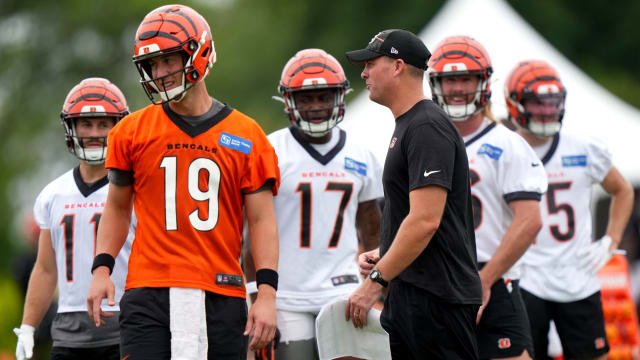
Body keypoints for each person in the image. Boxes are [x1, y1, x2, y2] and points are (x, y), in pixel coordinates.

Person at [85, 4, 281, 359]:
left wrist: (266, 294)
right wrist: (102, 269)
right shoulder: (131, 131)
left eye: (169, 60)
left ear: (199, 52)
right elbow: (116, 207)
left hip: (220, 290)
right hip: (148, 289)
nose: (160, 73)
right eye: (152, 64)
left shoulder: (247, 134)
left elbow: (263, 220)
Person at [344, 29, 482, 359]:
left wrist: (374, 282)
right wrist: (386, 249)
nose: (363, 73)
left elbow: (425, 221)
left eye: (370, 63)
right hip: (417, 296)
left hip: (436, 301)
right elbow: (419, 217)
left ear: (397, 66)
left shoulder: (425, 126)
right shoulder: (410, 124)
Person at [244, 48, 383, 359]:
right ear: (289, 100)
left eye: (324, 96)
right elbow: (251, 229)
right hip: (284, 295)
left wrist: (375, 285)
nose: (316, 106)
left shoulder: (362, 154)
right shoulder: (269, 150)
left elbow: (372, 228)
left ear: (340, 97)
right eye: (306, 98)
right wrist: (256, 295)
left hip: (344, 291)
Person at [427, 36, 547, 360]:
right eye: (449, 79)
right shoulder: (421, 140)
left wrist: (486, 278)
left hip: (492, 275)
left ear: (483, 83)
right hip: (436, 279)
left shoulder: (508, 144)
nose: (456, 88)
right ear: (436, 84)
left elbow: (530, 219)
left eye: (465, 78)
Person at [506, 59, 634, 360]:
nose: (547, 110)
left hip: (577, 277)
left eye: (552, 102)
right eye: (537, 103)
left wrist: (611, 240)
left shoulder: (583, 148)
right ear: (515, 104)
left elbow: (623, 190)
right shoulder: (505, 149)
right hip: (526, 276)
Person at [14, 77, 133, 360]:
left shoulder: (136, 190)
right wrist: (29, 325)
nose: (94, 132)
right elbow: (45, 269)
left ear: (119, 127)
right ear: (71, 127)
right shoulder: (53, 194)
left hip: (124, 326)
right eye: (85, 123)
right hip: (68, 332)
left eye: (104, 124)